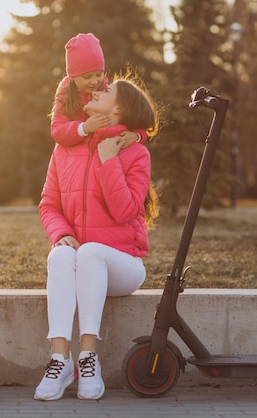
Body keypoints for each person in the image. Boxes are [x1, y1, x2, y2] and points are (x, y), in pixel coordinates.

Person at [34, 76, 159, 401]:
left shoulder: (135, 152)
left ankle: (89, 356)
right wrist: (60, 234)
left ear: (118, 109)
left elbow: (125, 211)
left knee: (89, 253)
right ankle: (61, 360)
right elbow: (49, 204)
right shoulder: (64, 149)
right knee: (60, 255)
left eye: (105, 91)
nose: (96, 90)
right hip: (80, 260)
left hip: (124, 265)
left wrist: (108, 160)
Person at [51, 33, 146, 148]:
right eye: (87, 77)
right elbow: (57, 130)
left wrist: (137, 136)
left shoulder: (110, 93)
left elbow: (134, 116)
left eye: (99, 74)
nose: (95, 81)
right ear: (72, 77)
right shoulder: (64, 97)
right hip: (74, 159)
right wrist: (84, 128)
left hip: (100, 158)